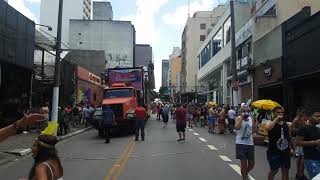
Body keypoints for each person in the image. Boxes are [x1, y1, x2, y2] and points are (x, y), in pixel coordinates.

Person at [265, 107, 293, 180]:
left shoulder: (286, 124)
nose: (280, 114)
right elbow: (268, 128)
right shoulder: (270, 122)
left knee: (285, 170)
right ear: (274, 113)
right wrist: (276, 119)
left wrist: (292, 147)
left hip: (285, 151)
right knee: (274, 170)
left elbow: (289, 136)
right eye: (278, 112)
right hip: (274, 151)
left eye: (282, 112)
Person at [295, 111, 320, 179]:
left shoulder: (318, 129)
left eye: (319, 116)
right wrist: (314, 142)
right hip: (310, 159)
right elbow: (297, 142)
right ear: (310, 117)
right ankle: (300, 173)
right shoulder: (304, 128)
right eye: (316, 116)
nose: (319, 118)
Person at [234, 105, 256, 180]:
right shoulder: (238, 118)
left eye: (248, 111)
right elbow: (236, 127)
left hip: (250, 144)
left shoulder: (251, 119)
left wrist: (255, 121)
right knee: (244, 164)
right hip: (240, 144)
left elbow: (254, 131)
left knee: (252, 164)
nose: (246, 113)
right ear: (241, 111)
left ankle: (245, 173)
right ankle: (244, 178)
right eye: (244, 111)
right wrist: (242, 118)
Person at [291, 108, 307, 180]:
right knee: (303, 156)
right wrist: (299, 130)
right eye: (302, 113)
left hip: (303, 138)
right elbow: (291, 128)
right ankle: (300, 173)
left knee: (301, 156)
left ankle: (299, 173)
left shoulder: (302, 119)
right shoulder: (296, 120)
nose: (303, 114)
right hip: (299, 138)